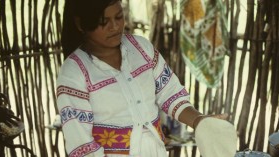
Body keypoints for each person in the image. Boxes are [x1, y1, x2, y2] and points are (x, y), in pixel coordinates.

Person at [57, 0, 237, 156]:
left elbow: (170, 93)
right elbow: (82, 145)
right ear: (81, 24)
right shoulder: (74, 73)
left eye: (119, 17)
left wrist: (200, 121)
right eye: (103, 22)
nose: (115, 26)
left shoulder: (141, 48)